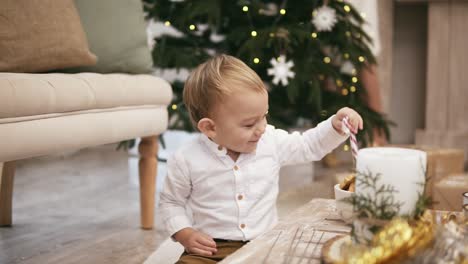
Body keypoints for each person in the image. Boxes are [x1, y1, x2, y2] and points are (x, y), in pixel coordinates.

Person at [159, 54, 363, 263]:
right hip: (212, 247)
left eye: (264, 115)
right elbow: (171, 202)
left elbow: (308, 146)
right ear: (210, 127)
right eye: (249, 124)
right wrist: (184, 233)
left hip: (266, 240)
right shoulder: (187, 158)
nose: (262, 128)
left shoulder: (270, 140)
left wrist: (335, 127)